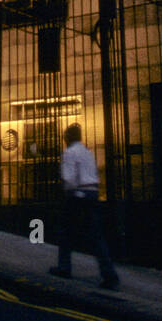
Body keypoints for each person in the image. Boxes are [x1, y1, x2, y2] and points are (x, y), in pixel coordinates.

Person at [49, 124, 120, 289]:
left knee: (65, 231)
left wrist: (67, 194)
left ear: (68, 138)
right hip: (92, 193)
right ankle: (110, 275)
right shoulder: (87, 152)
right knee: (96, 236)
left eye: (65, 136)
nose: (64, 139)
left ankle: (64, 267)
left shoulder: (69, 153)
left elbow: (69, 179)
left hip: (77, 195)